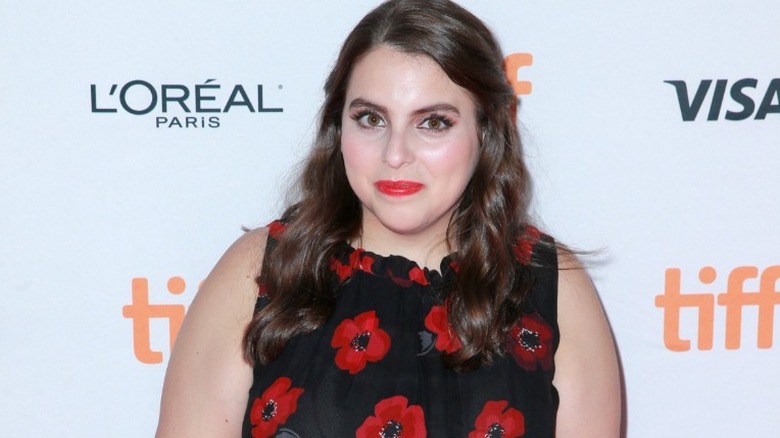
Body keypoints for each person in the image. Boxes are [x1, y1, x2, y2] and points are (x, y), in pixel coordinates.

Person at [155, 0, 621, 437]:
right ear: (339, 128)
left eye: (433, 122)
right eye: (371, 119)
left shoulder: (548, 284)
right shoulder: (261, 270)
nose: (395, 154)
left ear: (486, 130)